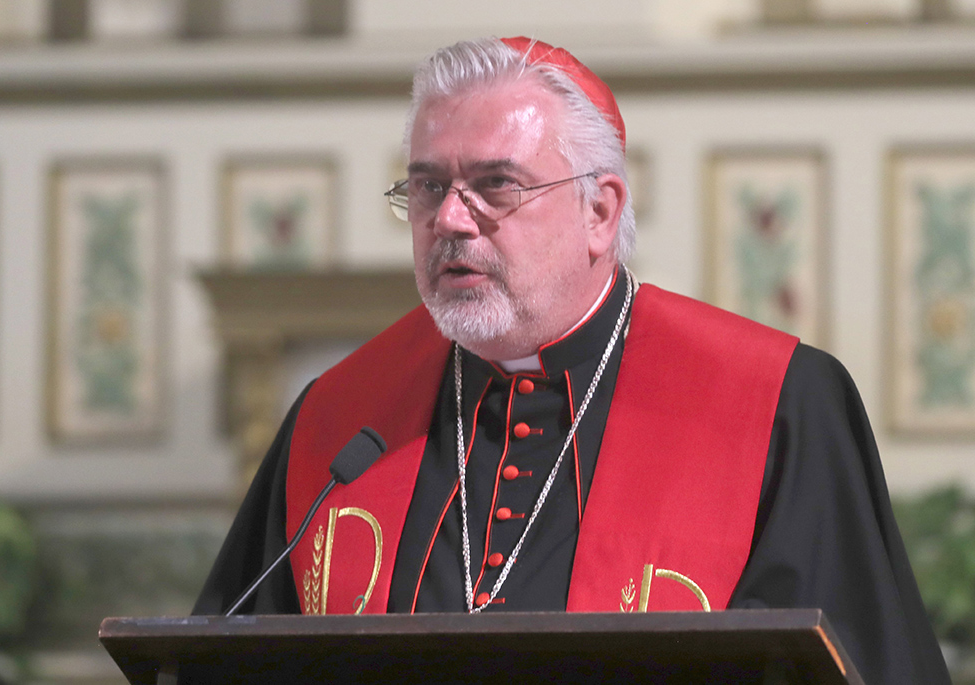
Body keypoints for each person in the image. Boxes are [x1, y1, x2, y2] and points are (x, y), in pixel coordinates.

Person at [195, 37, 951, 684]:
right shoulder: (342, 418)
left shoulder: (774, 401)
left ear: (601, 210)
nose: (451, 220)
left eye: (495, 184)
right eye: (428, 186)